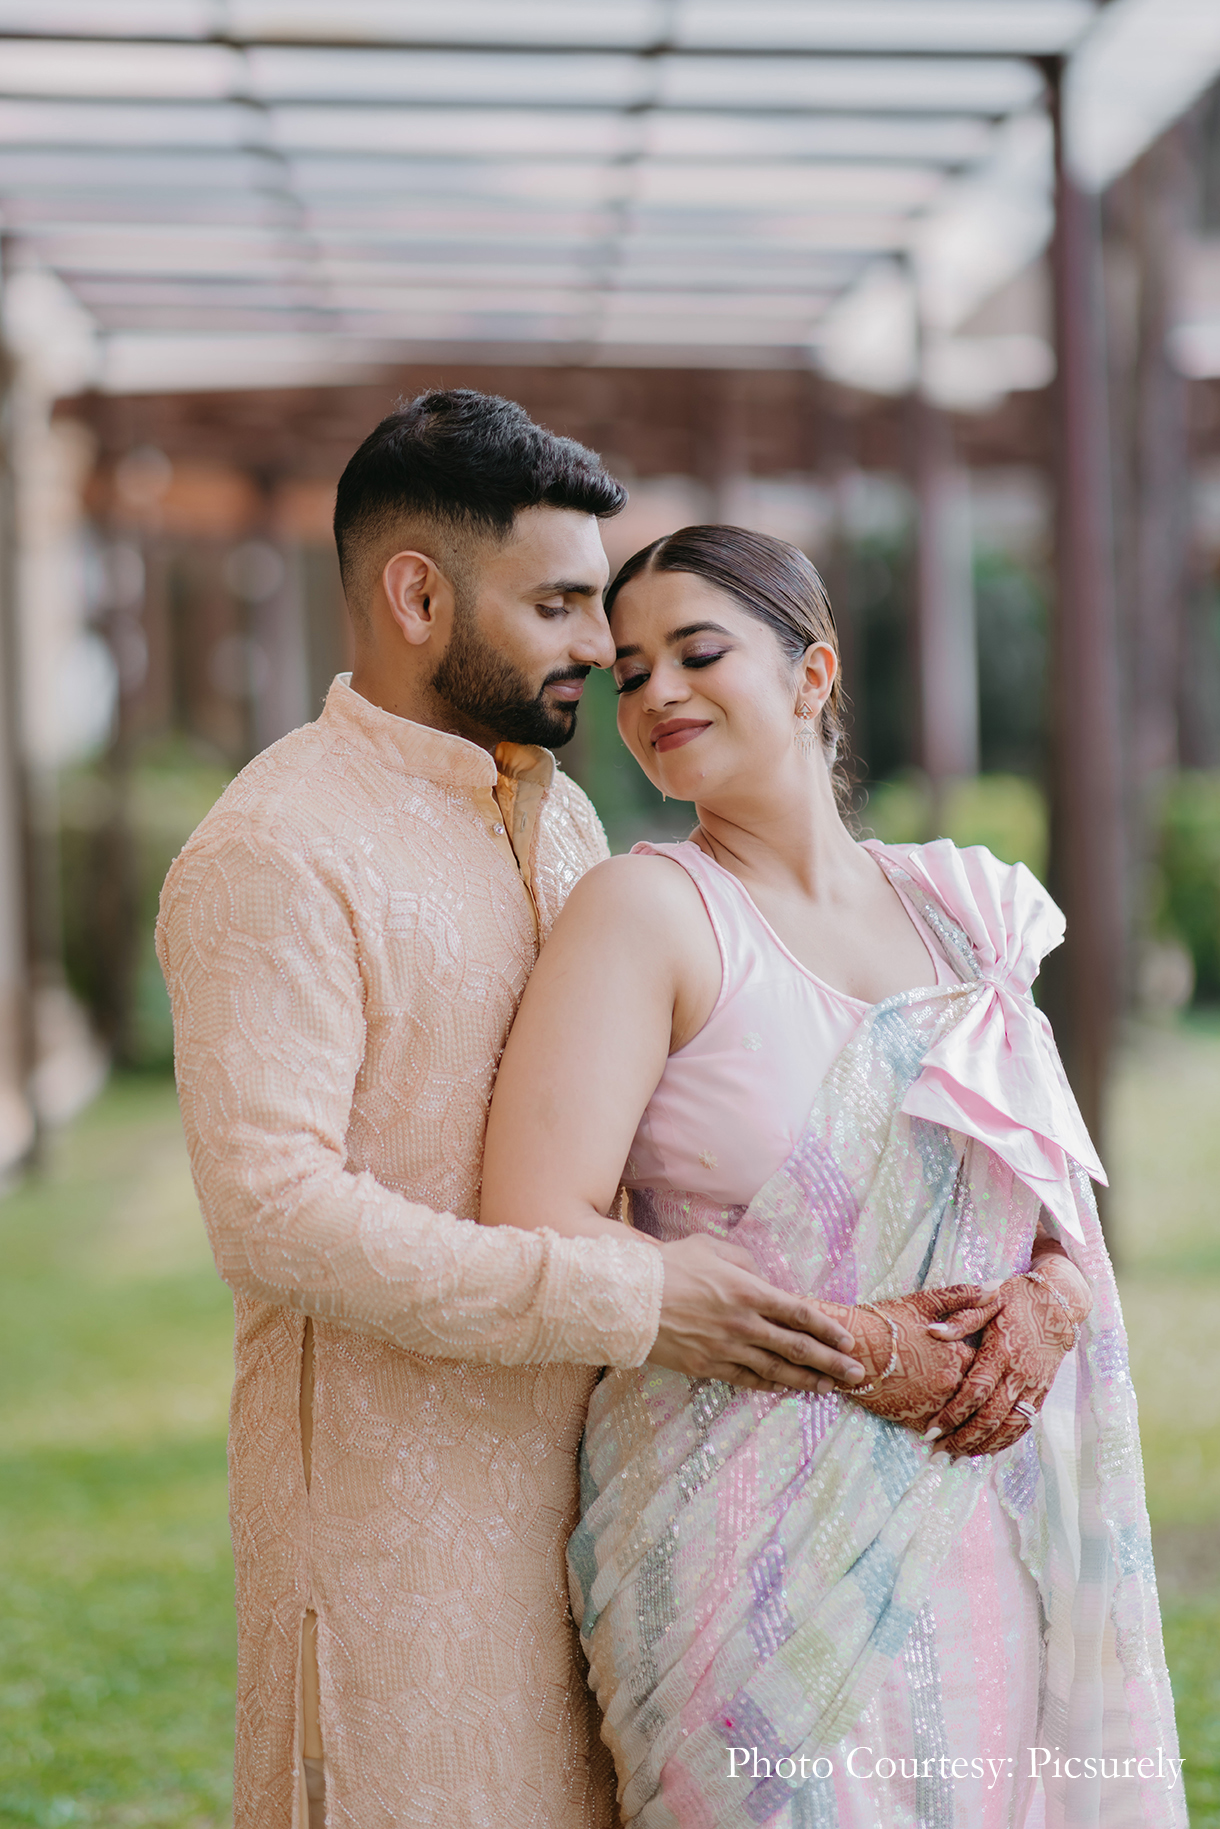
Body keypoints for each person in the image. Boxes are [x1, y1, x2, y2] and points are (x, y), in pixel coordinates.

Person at [156, 402, 882, 1829]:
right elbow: (272, 1214)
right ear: (416, 596)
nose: (600, 647)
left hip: (615, 1512)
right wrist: (630, 1294)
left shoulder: (560, 821)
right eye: (557, 604)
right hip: (393, 1554)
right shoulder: (275, 849)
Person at [479, 525, 1183, 1828]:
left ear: (813, 675)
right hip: (741, 1538)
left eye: (698, 652)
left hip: (975, 1516)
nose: (657, 691)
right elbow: (535, 1219)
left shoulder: (961, 916)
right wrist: (862, 1348)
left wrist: (1049, 1306)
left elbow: (1055, 1213)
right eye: (630, 673)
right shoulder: (649, 914)